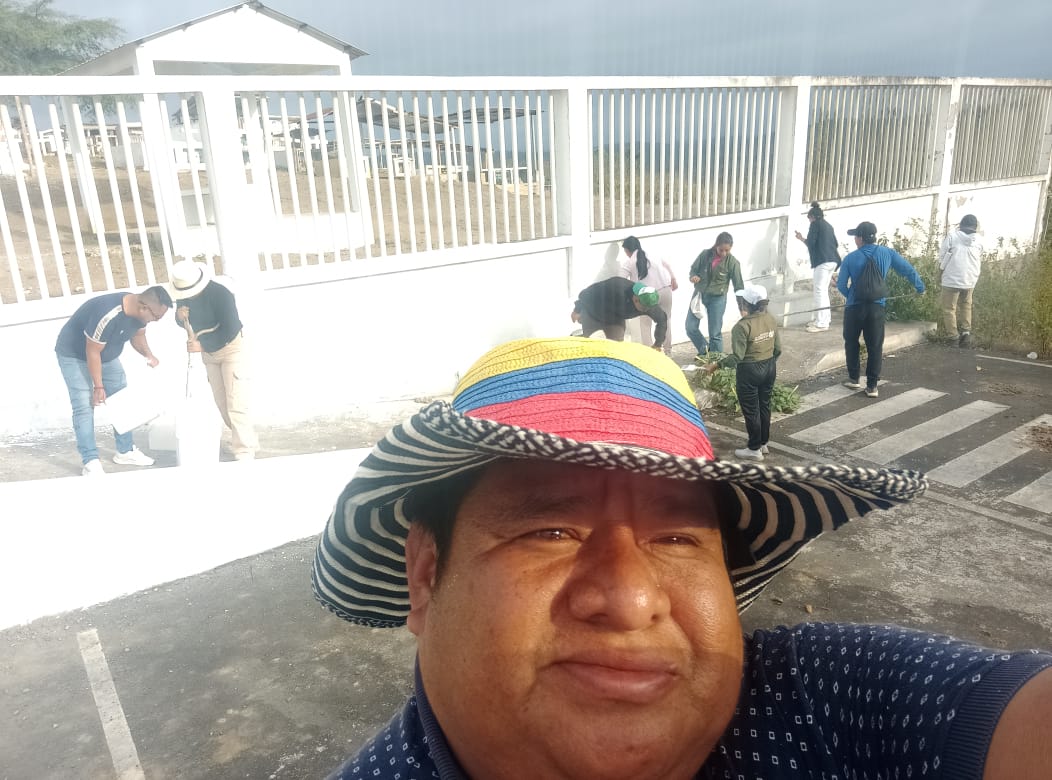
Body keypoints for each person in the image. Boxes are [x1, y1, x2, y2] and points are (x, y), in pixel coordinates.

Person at [312, 337, 1052, 780]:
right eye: (550, 531)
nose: (632, 600)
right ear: (425, 575)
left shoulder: (829, 706)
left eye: (676, 538)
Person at [54, 285, 171, 475]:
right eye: (156, 317)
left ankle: (125, 451)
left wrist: (148, 354)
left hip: (105, 355)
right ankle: (90, 461)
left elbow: (138, 336)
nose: (156, 321)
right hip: (74, 355)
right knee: (84, 405)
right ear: (144, 307)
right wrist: (98, 386)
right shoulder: (107, 314)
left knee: (121, 399)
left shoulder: (140, 315)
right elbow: (92, 352)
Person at [169, 260, 259, 461]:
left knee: (236, 402)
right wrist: (179, 317)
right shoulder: (184, 294)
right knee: (222, 403)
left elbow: (231, 328)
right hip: (209, 355)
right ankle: (248, 440)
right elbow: (184, 322)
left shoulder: (221, 294)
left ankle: (244, 451)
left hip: (230, 349)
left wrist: (202, 345)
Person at [836, 221, 925, 398]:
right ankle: (872, 386)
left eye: (855, 236)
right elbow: (907, 270)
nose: (855, 239)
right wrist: (920, 288)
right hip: (877, 307)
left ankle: (854, 379)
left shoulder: (850, 258)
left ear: (860, 238)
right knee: (875, 346)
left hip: (854, 308)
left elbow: (841, 285)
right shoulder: (887, 253)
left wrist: (851, 296)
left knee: (851, 342)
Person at [704, 284, 780, 461]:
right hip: (769, 366)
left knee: (751, 410)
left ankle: (754, 449)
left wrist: (717, 365)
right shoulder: (770, 319)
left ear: (747, 304)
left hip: (749, 371)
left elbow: (737, 356)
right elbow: (778, 348)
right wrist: (767, 362)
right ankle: (763, 443)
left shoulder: (742, 326)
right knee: (764, 405)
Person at [686, 231, 743, 356]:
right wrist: (693, 277)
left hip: (717, 299)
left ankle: (716, 361)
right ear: (716, 245)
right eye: (721, 250)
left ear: (731, 248)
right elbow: (693, 270)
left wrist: (742, 308)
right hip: (699, 295)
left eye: (727, 250)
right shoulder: (705, 255)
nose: (723, 253)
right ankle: (706, 352)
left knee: (715, 333)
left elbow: (739, 287)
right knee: (690, 327)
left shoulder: (733, 263)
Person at [618, 235, 678, 354]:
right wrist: (673, 279)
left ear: (627, 250)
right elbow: (667, 265)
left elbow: (620, 280)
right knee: (666, 320)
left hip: (647, 296)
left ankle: (651, 353)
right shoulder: (654, 255)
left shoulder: (629, 262)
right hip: (665, 289)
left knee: (645, 324)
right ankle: (668, 351)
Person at [571, 275, 667, 349]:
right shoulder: (616, 286)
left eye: (647, 309)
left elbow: (662, 320)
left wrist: (658, 344)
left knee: (617, 346)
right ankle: (577, 339)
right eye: (643, 308)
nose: (645, 311)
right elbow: (587, 293)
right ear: (636, 299)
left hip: (615, 318)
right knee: (590, 345)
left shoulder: (649, 304)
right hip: (593, 312)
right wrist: (577, 310)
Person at [938, 213, 984, 348]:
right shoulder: (979, 240)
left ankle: (953, 337)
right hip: (970, 279)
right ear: (975, 227)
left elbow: (942, 257)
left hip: (951, 279)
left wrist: (939, 274)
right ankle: (966, 334)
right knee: (966, 305)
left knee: (949, 308)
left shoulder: (952, 237)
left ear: (961, 225)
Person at [794, 201, 841, 333]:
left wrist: (801, 238)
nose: (809, 221)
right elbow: (835, 244)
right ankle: (824, 320)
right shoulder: (828, 225)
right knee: (823, 291)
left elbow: (811, 243)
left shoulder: (815, 224)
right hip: (833, 261)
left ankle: (821, 323)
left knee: (819, 291)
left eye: (809, 219)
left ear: (812, 217)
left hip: (823, 261)